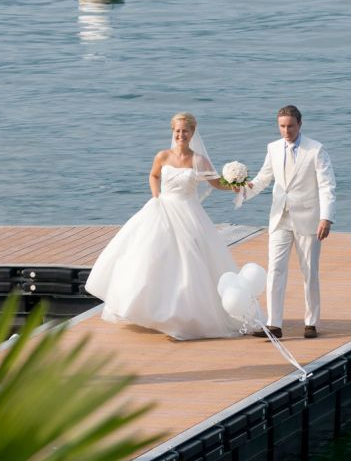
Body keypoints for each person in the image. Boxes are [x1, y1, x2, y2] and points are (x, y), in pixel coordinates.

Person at [85, 112, 243, 340]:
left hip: (188, 212)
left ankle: (183, 317)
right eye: (177, 131)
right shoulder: (162, 156)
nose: (181, 135)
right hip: (162, 209)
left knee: (189, 262)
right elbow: (153, 175)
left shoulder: (199, 160)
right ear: (173, 132)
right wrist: (156, 196)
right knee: (151, 258)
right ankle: (151, 311)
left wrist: (235, 185)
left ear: (192, 133)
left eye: (185, 131)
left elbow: (216, 183)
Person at [242, 105, 336, 338]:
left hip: (308, 218)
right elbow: (263, 178)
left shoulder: (316, 150)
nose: (286, 131)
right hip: (280, 217)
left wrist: (326, 217)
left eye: (290, 126)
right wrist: (241, 188)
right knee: (275, 269)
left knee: (309, 272)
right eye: (282, 126)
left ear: (300, 125)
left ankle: (311, 322)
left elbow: (327, 186)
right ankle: (274, 324)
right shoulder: (273, 148)